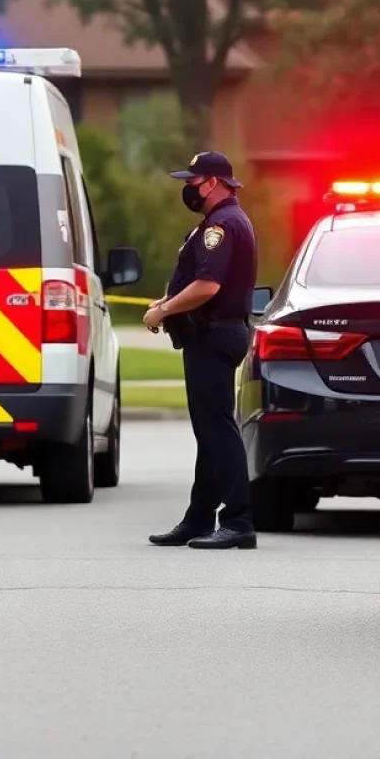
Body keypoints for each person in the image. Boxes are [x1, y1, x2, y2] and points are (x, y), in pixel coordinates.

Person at [145, 151, 258, 550]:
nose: (188, 189)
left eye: (192, 182)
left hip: (214, 334)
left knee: (218, 430)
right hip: (211, 334)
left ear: (212, 183)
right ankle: (198, 518)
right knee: (209, 431)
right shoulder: (220, 222)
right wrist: (167, 302)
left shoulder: (222, 225)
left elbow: (208, 287)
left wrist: (164, 310)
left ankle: (238, 520)